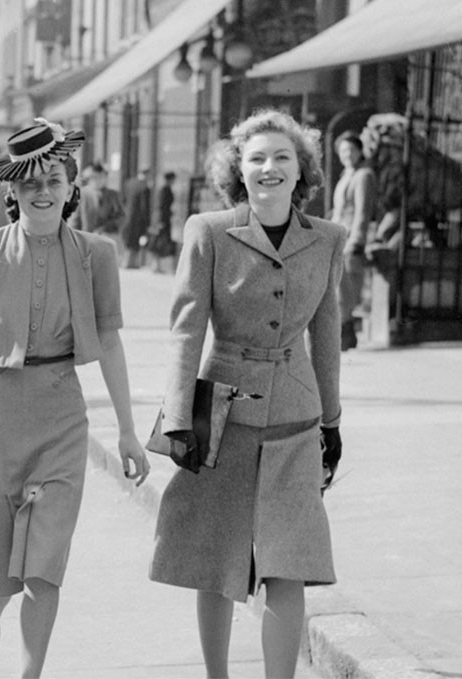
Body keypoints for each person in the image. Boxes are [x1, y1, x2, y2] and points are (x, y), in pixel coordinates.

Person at [0, 119, 150, 679]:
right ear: (11, 191)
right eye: (29, 182)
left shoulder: (96, 255)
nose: (42, 191)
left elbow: (110, 343)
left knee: (45, 567)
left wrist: (128, 431)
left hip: (61, 416)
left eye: (53, 179)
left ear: (71, 187)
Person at [149, 109, 345, 679]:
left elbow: (326, 337)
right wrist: (178, 415)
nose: (269, 168)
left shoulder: (328, 240)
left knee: (289, 563)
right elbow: (186, 329)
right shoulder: (208, 231)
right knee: (216, 560)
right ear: (239, 170)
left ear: (301, 170)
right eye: (257, 158)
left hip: (295, 421)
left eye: (283, 157)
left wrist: (332, 421)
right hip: (221, 419)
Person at [330, 131, 377, 350]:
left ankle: (347, 335)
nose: (347, 154)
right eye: (343, 151)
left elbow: (362, 211)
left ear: (359, 151)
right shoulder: (346, 175)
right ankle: (344, 334)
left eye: (351, 150)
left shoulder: (363, 175)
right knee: (338, 286)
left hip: (350, 240)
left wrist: (357, 240)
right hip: (338, 238)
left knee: (347, 288)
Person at [69, 161, 126, 245]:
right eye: (95, 178)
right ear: (90, 179)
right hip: (86, 240)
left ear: (105, 178)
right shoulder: (82, 195)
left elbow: (121, 217)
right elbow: (75, 219)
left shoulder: (113, 195)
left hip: (106, 239)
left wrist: (105, 228)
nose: (98, 181)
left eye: (101, 178)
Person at [121, 167, 152, 268]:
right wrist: (147, 221)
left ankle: (126, 261)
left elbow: (123, 200)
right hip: (138, 219)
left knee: (129, 239)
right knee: (136, 240)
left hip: (128, 216)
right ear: (146, 174)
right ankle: (133, 262)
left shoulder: (128, 184)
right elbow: (144, 206)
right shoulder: (144, 187)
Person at [148, 171, 178, 273]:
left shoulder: (164, 189)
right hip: (163, 220)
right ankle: (156, 265)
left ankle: (158, 265)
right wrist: (160, 221)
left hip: (164, 219)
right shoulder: (165, 190)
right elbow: (162, 207)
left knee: (160, 242)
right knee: (159, 242)